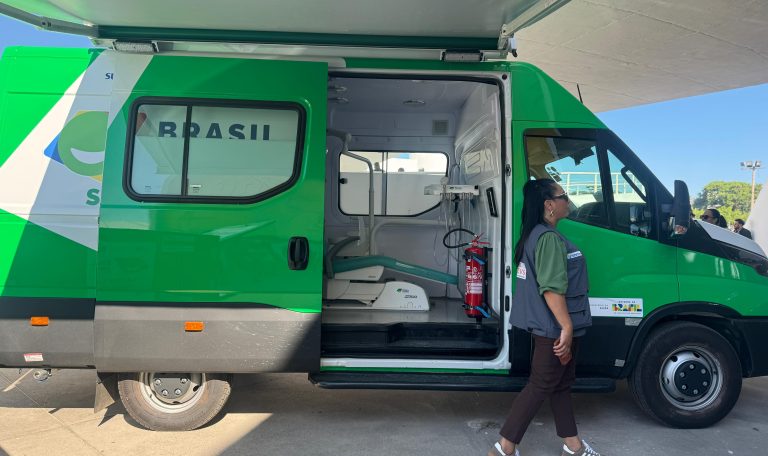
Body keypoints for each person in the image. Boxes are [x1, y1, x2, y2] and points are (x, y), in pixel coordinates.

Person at [490, 179, 601, 456]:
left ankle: (573, 446)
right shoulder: (548, 238)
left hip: (552, 325)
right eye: (563, 195)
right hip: (554, 328)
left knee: (560, 384)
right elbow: (551, 288)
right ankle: (504, 447)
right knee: (540, 385)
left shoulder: (537, 234)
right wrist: (566, 327)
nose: (568, 199)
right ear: (549, 205)